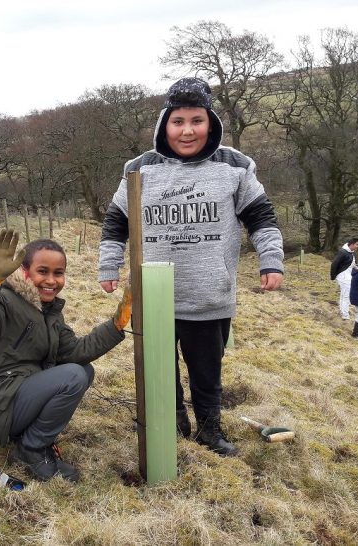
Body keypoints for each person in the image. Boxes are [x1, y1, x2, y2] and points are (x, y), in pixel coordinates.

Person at [98, 77, 284, 457]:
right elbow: (117, 220)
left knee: (207, 374)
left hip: (208, 296)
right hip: (153, 297)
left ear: (210, 123)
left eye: (196, 120)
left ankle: (210, 430)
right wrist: (109, 265)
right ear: (164, 125)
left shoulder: (235, 166)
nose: (187, 130)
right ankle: (173, 421)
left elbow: (261, 217)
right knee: (160, 371)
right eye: (178, 121)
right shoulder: (139, 169)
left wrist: (271, 260)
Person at [0, 229, 132, 482]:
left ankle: (30, 438)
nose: (51, 280)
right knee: (72, 376)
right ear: (25, 272)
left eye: (58, 273)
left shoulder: (48, 311)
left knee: (83, 370)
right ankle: (31, 449)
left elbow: (75, 352)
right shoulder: (3, 300)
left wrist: (116, 324)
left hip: (17, 394)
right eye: (43, 271)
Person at [330, 237, 358, 320]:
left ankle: (342, 311)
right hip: (342, 276)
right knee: (346, 295)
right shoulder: (343, 252)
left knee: (344, 294)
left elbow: (353, 264)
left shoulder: (352, 253)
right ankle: (345, 315)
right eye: (357, 244)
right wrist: (333, 276)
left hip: (348, 275)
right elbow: (334, 264)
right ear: (351, 244)